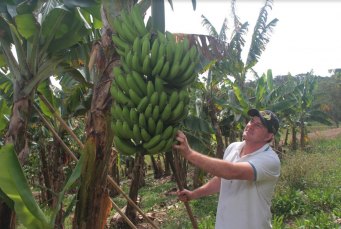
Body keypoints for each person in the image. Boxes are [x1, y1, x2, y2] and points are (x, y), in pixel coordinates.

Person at [172, 109, 281, 229]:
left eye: (258, 125)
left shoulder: (270, 160)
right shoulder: (233, 148)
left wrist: (189, 154)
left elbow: (231, 172)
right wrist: (193, 194)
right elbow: (221, 179)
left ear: (269, 136)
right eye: (251, 121)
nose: (250, 126)